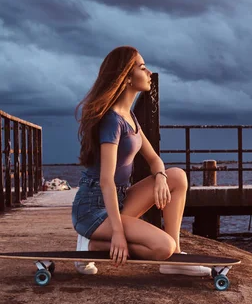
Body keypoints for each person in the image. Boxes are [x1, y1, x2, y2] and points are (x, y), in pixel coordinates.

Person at [70, 45, 209, 276]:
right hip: (93, 208)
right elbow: (106, 181)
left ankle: (174, 259)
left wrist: (161, 178)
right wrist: (117, 233)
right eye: (142, 67)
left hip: (121, 199)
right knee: (162, 246)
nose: (149, 73)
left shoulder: (130, 117)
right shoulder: (112, 121)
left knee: (177, 177)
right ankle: (91, 245)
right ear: (126, 77)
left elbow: (155, 159)